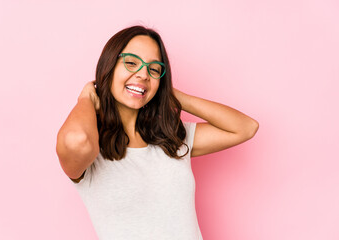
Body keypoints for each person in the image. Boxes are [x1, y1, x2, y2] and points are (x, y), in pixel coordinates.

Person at [56, 25, 259, 240]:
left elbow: (246, 128)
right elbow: (77, 140)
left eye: (153, 69)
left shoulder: (172, 138)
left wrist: (172, 95)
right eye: (131, 62)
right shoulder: (92, 149)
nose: (143, 74)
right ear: (109, 67)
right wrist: (86, 99)